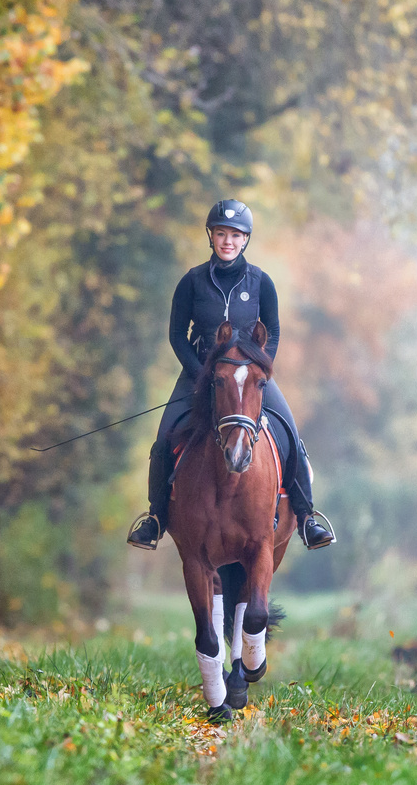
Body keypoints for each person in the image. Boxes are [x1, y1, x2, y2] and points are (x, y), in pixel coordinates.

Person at [127, 199, 336, 551]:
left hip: (251, 377)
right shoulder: (191, 282)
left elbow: (274, 329)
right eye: (221, 233)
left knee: (292, 436)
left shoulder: (261, 282)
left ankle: (306, 517)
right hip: (198, 374)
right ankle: (156, 518)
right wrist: (201, 376)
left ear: (245, 240)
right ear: (211, 236)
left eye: (235, 235)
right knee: (164, 439)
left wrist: (260, 370)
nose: (228, 241)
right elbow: (177, 335)